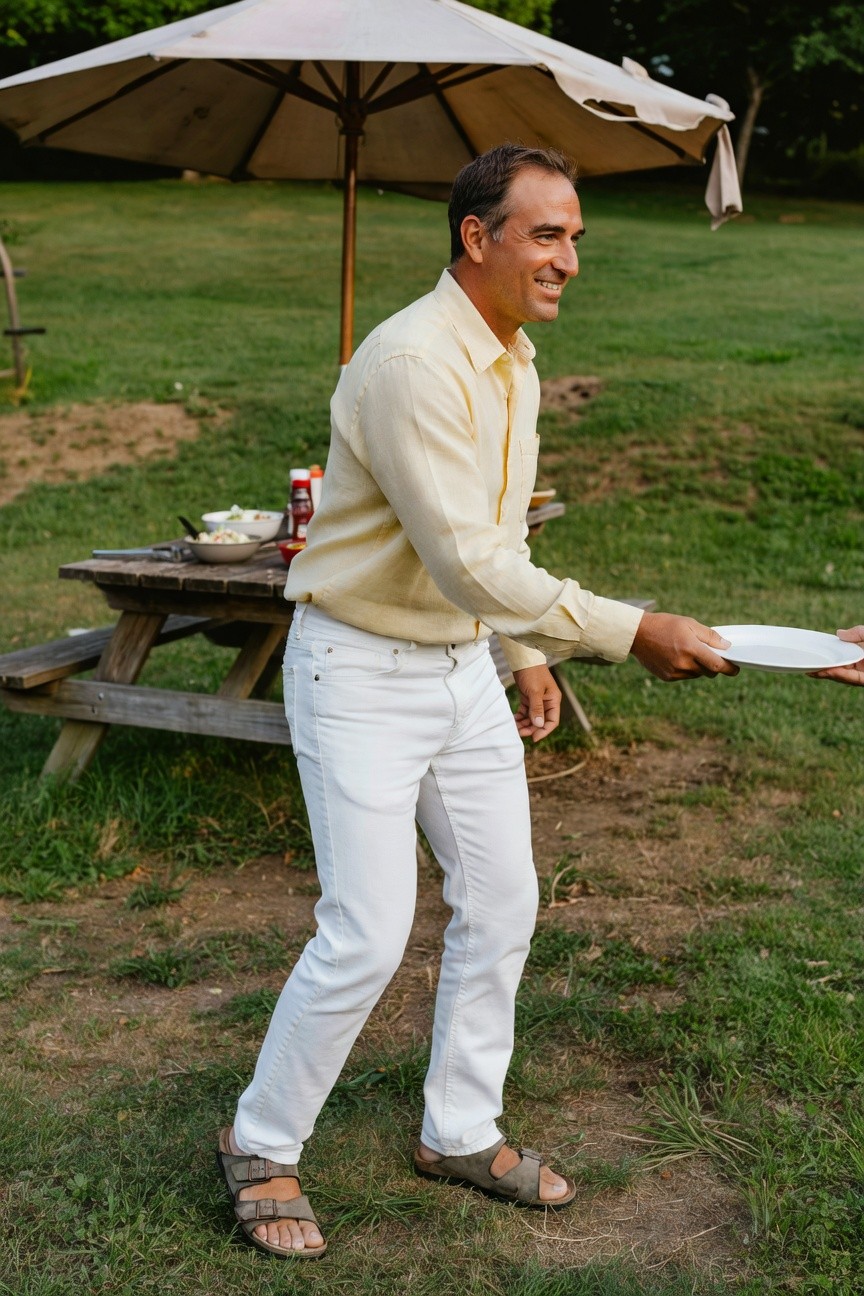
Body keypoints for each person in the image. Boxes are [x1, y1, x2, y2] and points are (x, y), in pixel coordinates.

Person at [217, 143, 738, 1260]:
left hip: (458, 668)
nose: (569, 261)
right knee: (367, 933)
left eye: (576, 239)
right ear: (478, 237)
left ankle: (457, 1128)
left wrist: (519, 653)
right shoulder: (412, 362)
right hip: (356, 670)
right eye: (548, 234)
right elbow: (462, 557)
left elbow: (488, 551)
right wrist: (626, 629)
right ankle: (260, 1142)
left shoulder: (516, 359)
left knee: (502, 903)